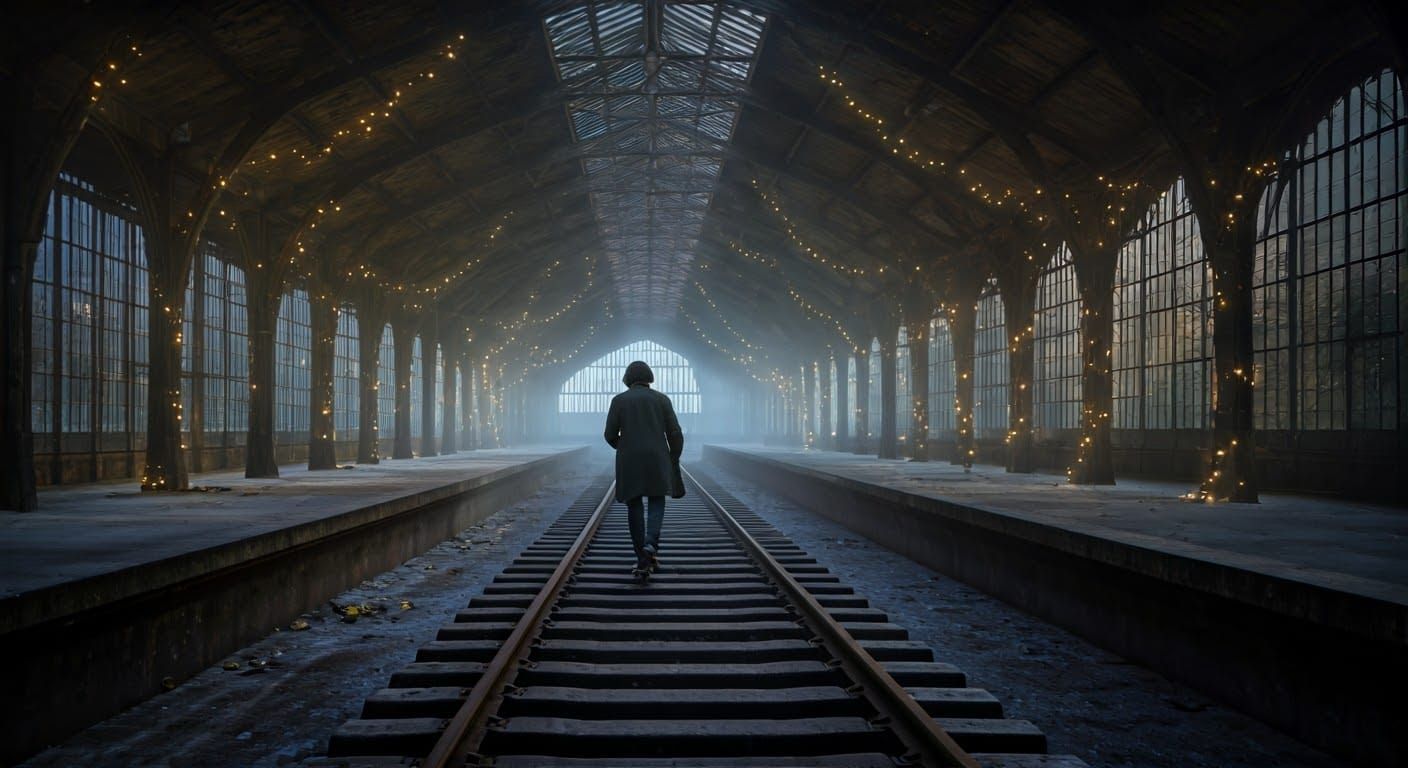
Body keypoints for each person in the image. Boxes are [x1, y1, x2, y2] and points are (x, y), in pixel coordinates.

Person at [603, 359, 684, 574]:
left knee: (634, 504)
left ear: (628, 378)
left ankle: (641, 556)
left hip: (629, 460)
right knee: (657, 500)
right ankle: (650, 544)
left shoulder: (619, 400)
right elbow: (675, 432)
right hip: (657, 458)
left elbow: (609, 435)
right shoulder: (662, 400)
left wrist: (625, 447)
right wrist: (673, 456)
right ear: (649, 377)